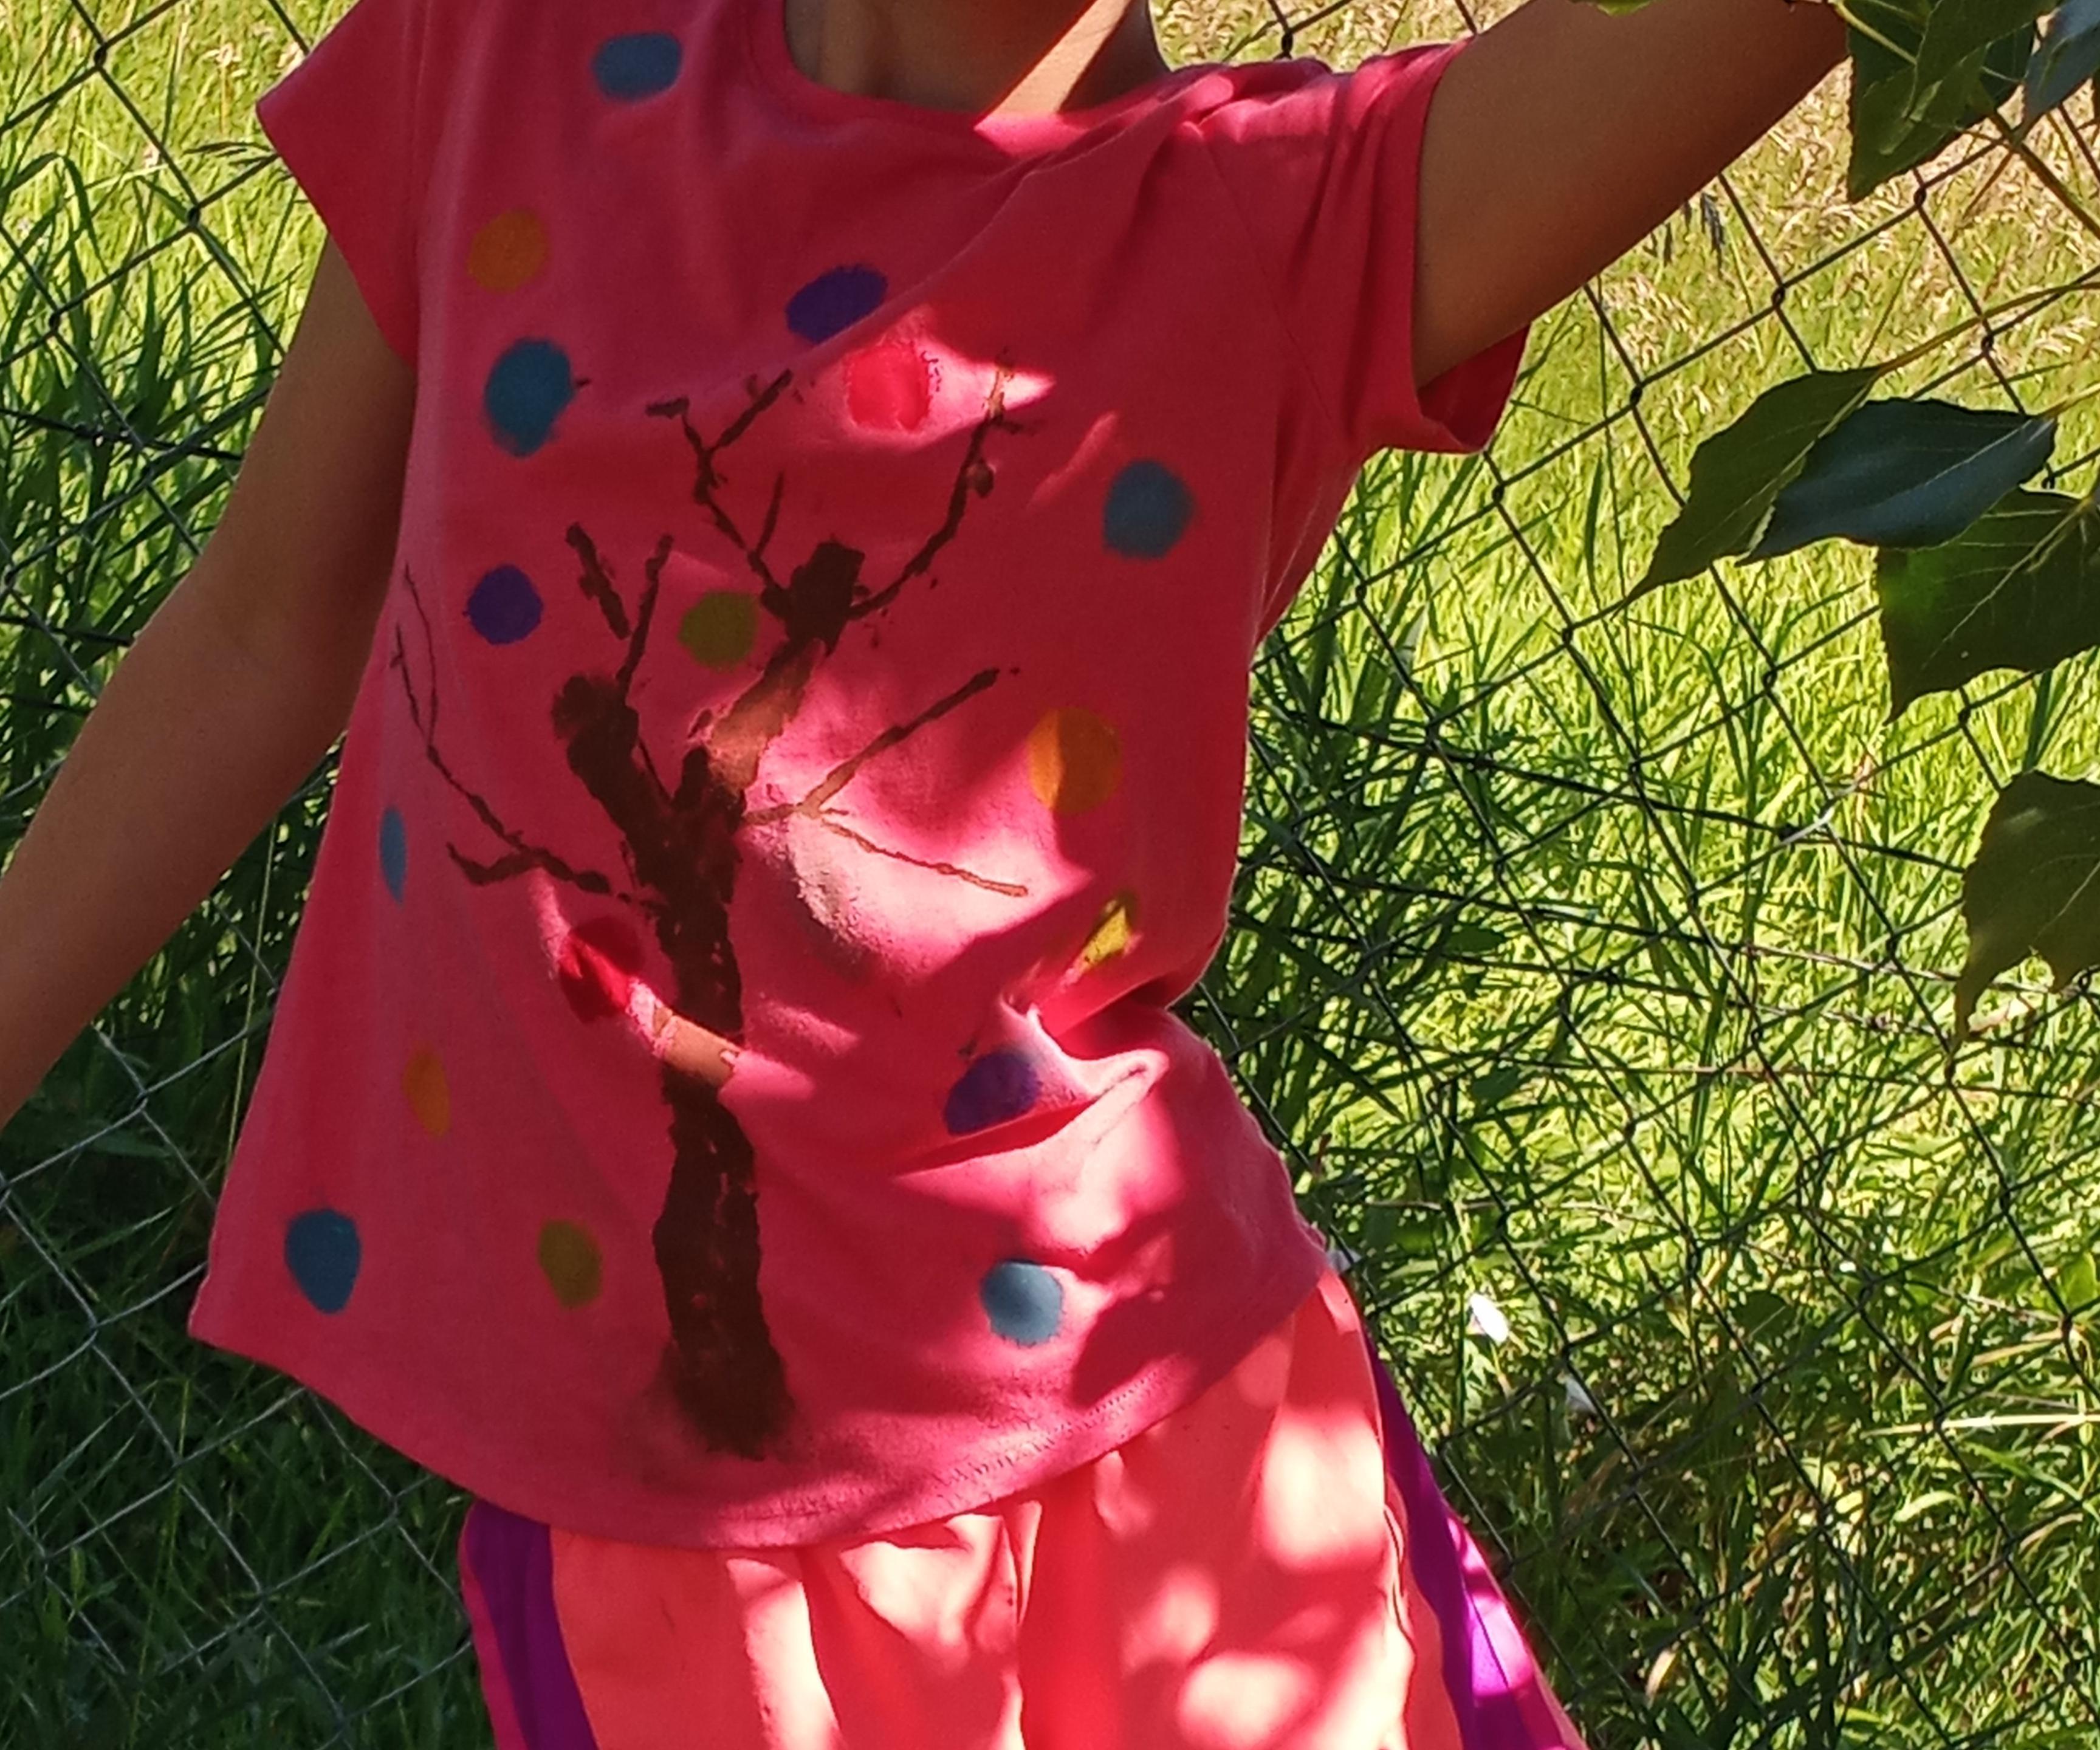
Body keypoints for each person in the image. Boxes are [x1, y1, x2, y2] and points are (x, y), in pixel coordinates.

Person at [0, 0, 1845, 1741]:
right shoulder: (502, 50)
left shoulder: (1285, 216)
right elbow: (260, 634)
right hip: (683, 1534)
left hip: (1177, 1465)